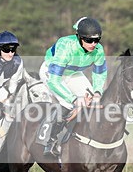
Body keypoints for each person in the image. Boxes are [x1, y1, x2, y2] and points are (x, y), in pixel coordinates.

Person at [38, 17, 107, 157]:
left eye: (96, 40)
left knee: (93, 101)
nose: (93, 44)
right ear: (79, 37)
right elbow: (54, 80)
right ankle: (49, 141)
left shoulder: (99, 50)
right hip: (52, 73)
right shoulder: (66, 45)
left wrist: (98, 92)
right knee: (68, 103)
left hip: (73, 73)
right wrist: (74, 100)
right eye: (88, 40)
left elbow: (99, 73)